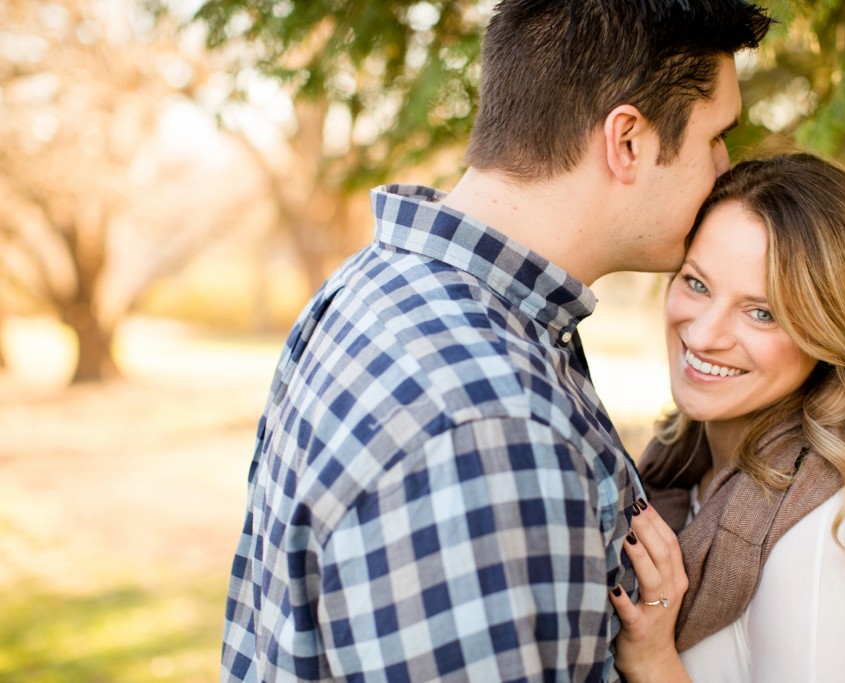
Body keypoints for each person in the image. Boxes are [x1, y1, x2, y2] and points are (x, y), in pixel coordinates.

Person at [221, 1, 773, 681]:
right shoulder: (487, 423)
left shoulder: (385, 287)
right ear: (627, 141)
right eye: (716, 137)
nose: (724, 168)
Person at [609, 152, 845, 682]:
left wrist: (654, 661)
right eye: (697, 283)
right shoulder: (679, 472)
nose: (703, 334)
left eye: (762, 312)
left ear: (831, 334)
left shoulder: (832, 524)